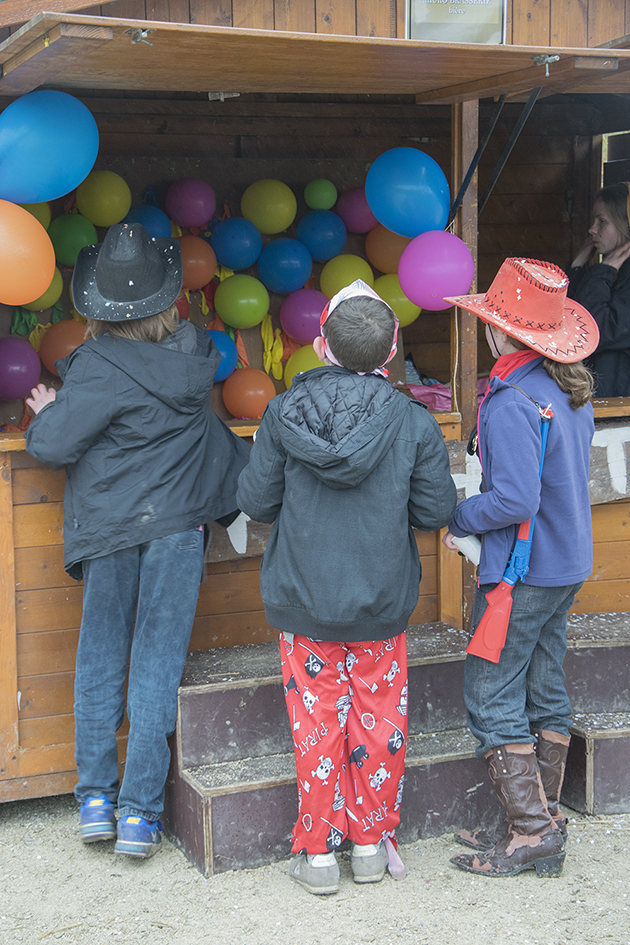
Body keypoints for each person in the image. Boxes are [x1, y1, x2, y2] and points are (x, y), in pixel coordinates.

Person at [25, 223, 250, 859]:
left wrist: (48, 412)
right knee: (157, 665)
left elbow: (52, 445)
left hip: (112, 528)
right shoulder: (194, 353)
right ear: (167, 297)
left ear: (95, 303)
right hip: (178, 528)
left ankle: (96, 796)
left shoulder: (95, 366)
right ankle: (140, 816)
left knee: (100, 655)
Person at [236, 280, 457, 895]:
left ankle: (318, 855)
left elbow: (254, 501)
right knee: (379, 722)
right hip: (381, 602)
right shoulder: (414, 420)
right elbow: (437, 510)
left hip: (303, 600)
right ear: (389, 355)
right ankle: (367, 846)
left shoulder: (281, 414)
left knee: (317, 728)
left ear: (319, 345)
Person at [442, 257, 599, 878]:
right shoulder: (566, 385)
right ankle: (541, 819)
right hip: (568, 561)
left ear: (497, 332)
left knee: (491, 690)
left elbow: (512, 500)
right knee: (544, 682)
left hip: (525, 572)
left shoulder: (512, 400)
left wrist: (460, 517)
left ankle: (531, 829)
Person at [568, 181, 630, 395]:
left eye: (602, 221)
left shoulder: (609, 272)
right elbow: (566, 316)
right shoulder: (609, 270)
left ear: (626, 225)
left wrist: (601, 272)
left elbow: (595, 330)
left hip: (619, 408)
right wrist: (576, 267)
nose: (592, 229)